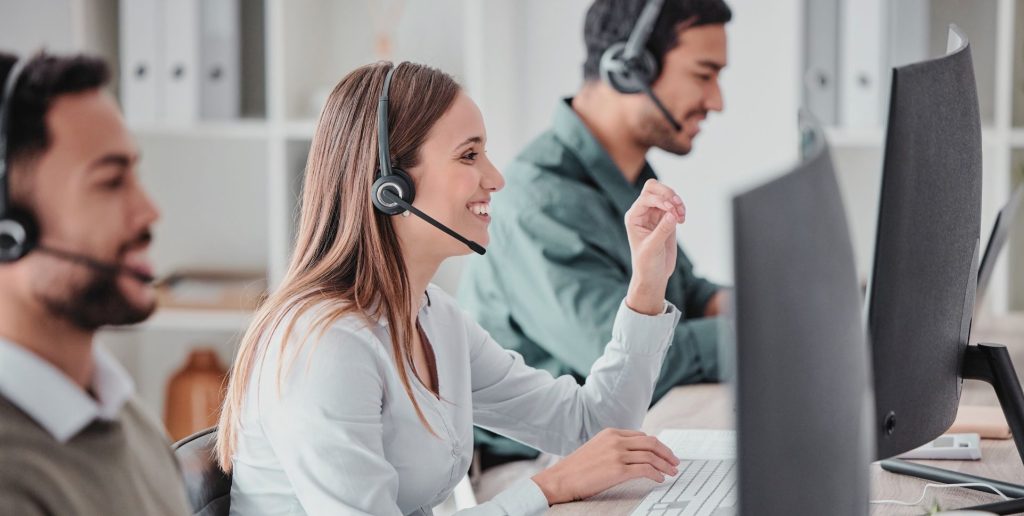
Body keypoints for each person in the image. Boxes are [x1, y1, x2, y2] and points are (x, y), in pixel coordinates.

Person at [216, 61, 689, 515]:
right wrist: (548, 487)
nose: (496, 178)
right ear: (390, 186)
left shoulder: (433, 317)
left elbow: (592, 427)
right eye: (469, 155)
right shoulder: (324, 345)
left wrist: (646, 288)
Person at [457, 0, 733, 472]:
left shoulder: (623, 175)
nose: (716, 100)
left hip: (607, 435)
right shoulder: (538, 203)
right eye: (703, 74)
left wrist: (776, 304)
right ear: (630, 68)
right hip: (526, 466)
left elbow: (687, 293)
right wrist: (765, 333)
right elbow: (641, 361)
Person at [0, 52, 190, 515]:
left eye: (134, 174)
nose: (149, 210)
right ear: (10, 232)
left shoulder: (127, 419)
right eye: (110, 182)